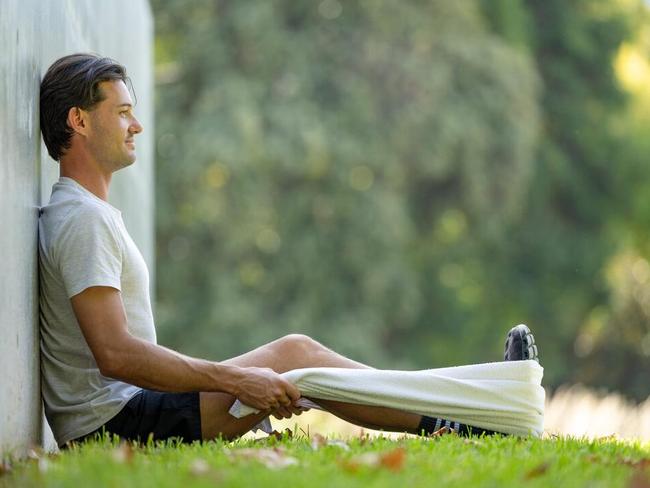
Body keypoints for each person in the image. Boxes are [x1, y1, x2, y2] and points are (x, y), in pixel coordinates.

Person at [38, 53, 540, 448]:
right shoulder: (82, 219)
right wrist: (236, 379)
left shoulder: (85, 213)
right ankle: (470, 416)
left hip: (129, 413)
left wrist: (235, 380)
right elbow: (115, 354)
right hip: (112, 427)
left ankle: (472, 413)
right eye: (122, 112)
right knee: (294, 355)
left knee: (297, 358)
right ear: (79, 121)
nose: (136, 126)